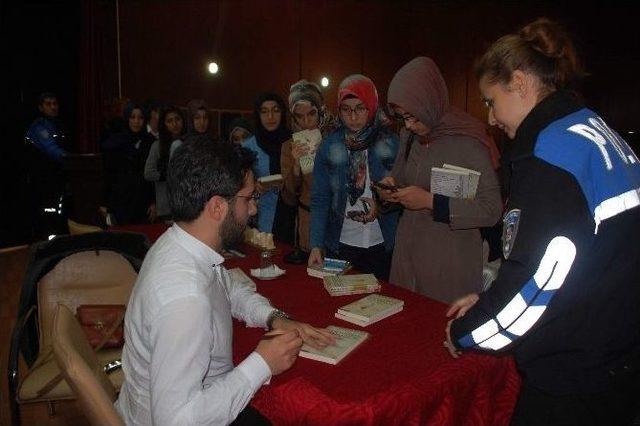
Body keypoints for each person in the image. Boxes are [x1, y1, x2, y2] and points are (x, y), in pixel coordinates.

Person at [446, 18, 640, 425]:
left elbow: (538, 278)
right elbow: (576, 259)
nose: (492, 118)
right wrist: (491, 299)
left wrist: (467, 331)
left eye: (490, 100)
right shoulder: (598, 131)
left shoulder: (549, 152)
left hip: (575, 376)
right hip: (618, 355)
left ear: (519, 82)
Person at [116, 140, 334, 425]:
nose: (254, 210)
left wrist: (274, 318)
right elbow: (175, 420)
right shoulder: (185, 300)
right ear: (218, 207)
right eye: (248, 199)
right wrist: (261, 363)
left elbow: (227, 287)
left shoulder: (180, 244)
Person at [376, 57, 503, 303]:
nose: (409, 125)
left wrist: (430, 201)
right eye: (403, 117)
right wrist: (389, 189)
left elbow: (491, 209)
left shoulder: (469, 140)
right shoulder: (409, 137)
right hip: (408, 256)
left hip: (450, 261)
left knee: (438, 331)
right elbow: (401, 177)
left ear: (429, 103)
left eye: (413, 116)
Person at [309, 74, 399, 280]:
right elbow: (320, 198)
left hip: (382, 241)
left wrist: (383, 204)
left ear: (372, 106)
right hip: (341, 243)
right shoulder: (329, 146)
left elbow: (403, 191)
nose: (353, 116)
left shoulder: (391, 144)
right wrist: (316, 244)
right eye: (346, 109)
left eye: (360, 108)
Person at [280, 79, 336, 252]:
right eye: (300, 116)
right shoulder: (289, 146)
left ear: (320, 111)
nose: (306, 121)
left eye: (311, 114)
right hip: (308, 221)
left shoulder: (336, 140)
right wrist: (296, 167)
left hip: (337, 219)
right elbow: (288, 197)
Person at [242, 93, 296, 243]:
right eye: (264, 111)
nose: (270, 116)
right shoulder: (248, 147)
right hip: (261, 219)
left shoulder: (295, 143)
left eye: (275, 110)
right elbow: (237, 189)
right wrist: (254, 189)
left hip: (292, 218)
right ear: (258, 115)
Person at [24, 92, 73, 238]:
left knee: (59, 216)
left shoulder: (58, 125)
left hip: (58, 181)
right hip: (42, 183)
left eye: (55, 104)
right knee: (47, 218)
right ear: (41, 107)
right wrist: (72, 159)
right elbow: (52, 150)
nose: (53, 107)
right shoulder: (39, 127)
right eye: (48, 104)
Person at [102, 101, 155, 224]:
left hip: (143, 199)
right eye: (132, 117)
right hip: (120, 199)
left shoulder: (151, 142)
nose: (136, 121)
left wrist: (154, 202)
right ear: (127, 119)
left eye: (140, 118)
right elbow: (109, 173)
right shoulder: (115, 142)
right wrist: (104, 203)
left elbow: (153, 176)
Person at [144, 105, 184, 220]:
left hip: (186, 205)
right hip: (166, 205)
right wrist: (166, 175)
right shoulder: (158, 146)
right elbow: (148, 173)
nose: (174, 124)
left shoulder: (188, 142)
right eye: (169, 121)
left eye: (177, 119)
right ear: (164, 124)